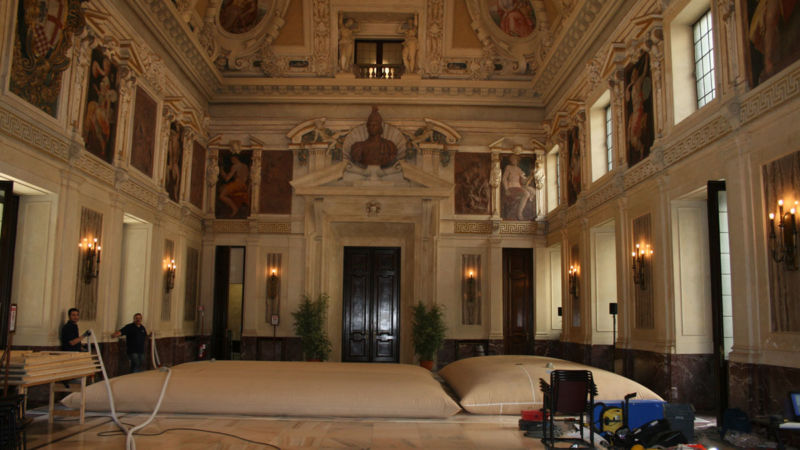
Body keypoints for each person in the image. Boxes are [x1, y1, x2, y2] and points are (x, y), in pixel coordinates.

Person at [501, 152, 536, 220]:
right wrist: (506, 189)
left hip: (519, 187)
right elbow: (504, 179)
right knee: (526, 194)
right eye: (512, 159)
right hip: (511, 187)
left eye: (514, 159)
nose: (513, 160)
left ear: (517, 160)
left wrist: (531, 176)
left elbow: (524, 182)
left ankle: (530, 199)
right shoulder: (508, 167)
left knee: (533, 190)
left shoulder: (519, 169)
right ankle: (519, 213)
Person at [218, 152, 250, 217]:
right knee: (222, 188)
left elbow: (227, 178)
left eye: (232, 159)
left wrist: (221, 171)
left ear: (236, 158)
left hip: (237, 185)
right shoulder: (245, 166)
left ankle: (234, 209)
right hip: (244, 186)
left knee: (221, 196)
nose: (232, 161)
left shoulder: (235, 166)